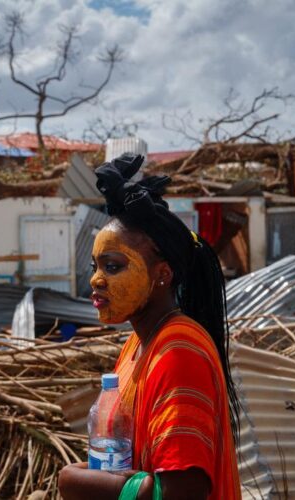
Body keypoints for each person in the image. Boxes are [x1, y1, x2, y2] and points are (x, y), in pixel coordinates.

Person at [58, 154, 242, 500]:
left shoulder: (178, 352)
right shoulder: (138, 344)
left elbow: (183, 490)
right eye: (95, 266)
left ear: (162, 275)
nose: (96, 279)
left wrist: (73, 482)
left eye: (112, 266)